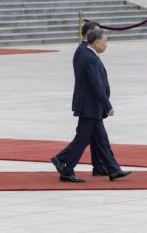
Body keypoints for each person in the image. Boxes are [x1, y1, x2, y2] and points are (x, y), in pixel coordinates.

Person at [51, 29, 131, 182]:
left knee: (101, 140)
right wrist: (107, 105)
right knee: (82, 140)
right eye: (104, 42)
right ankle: (66, 169)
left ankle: (113, 169)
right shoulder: (90, 58)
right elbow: (96, 85)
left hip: (91, 107)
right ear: (95, 42)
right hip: (90, 107)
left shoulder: (89, 55)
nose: (106, 45)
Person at [52, 20, 109, 177]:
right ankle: (63, 162)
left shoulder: (85, 50)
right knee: (84, 138)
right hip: (89, 104)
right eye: (97, 33)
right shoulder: (86, 52)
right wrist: (106, 104)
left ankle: (102, 166)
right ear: (90, 34)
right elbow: (93, 83)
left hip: (92, 104)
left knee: (96, 138)